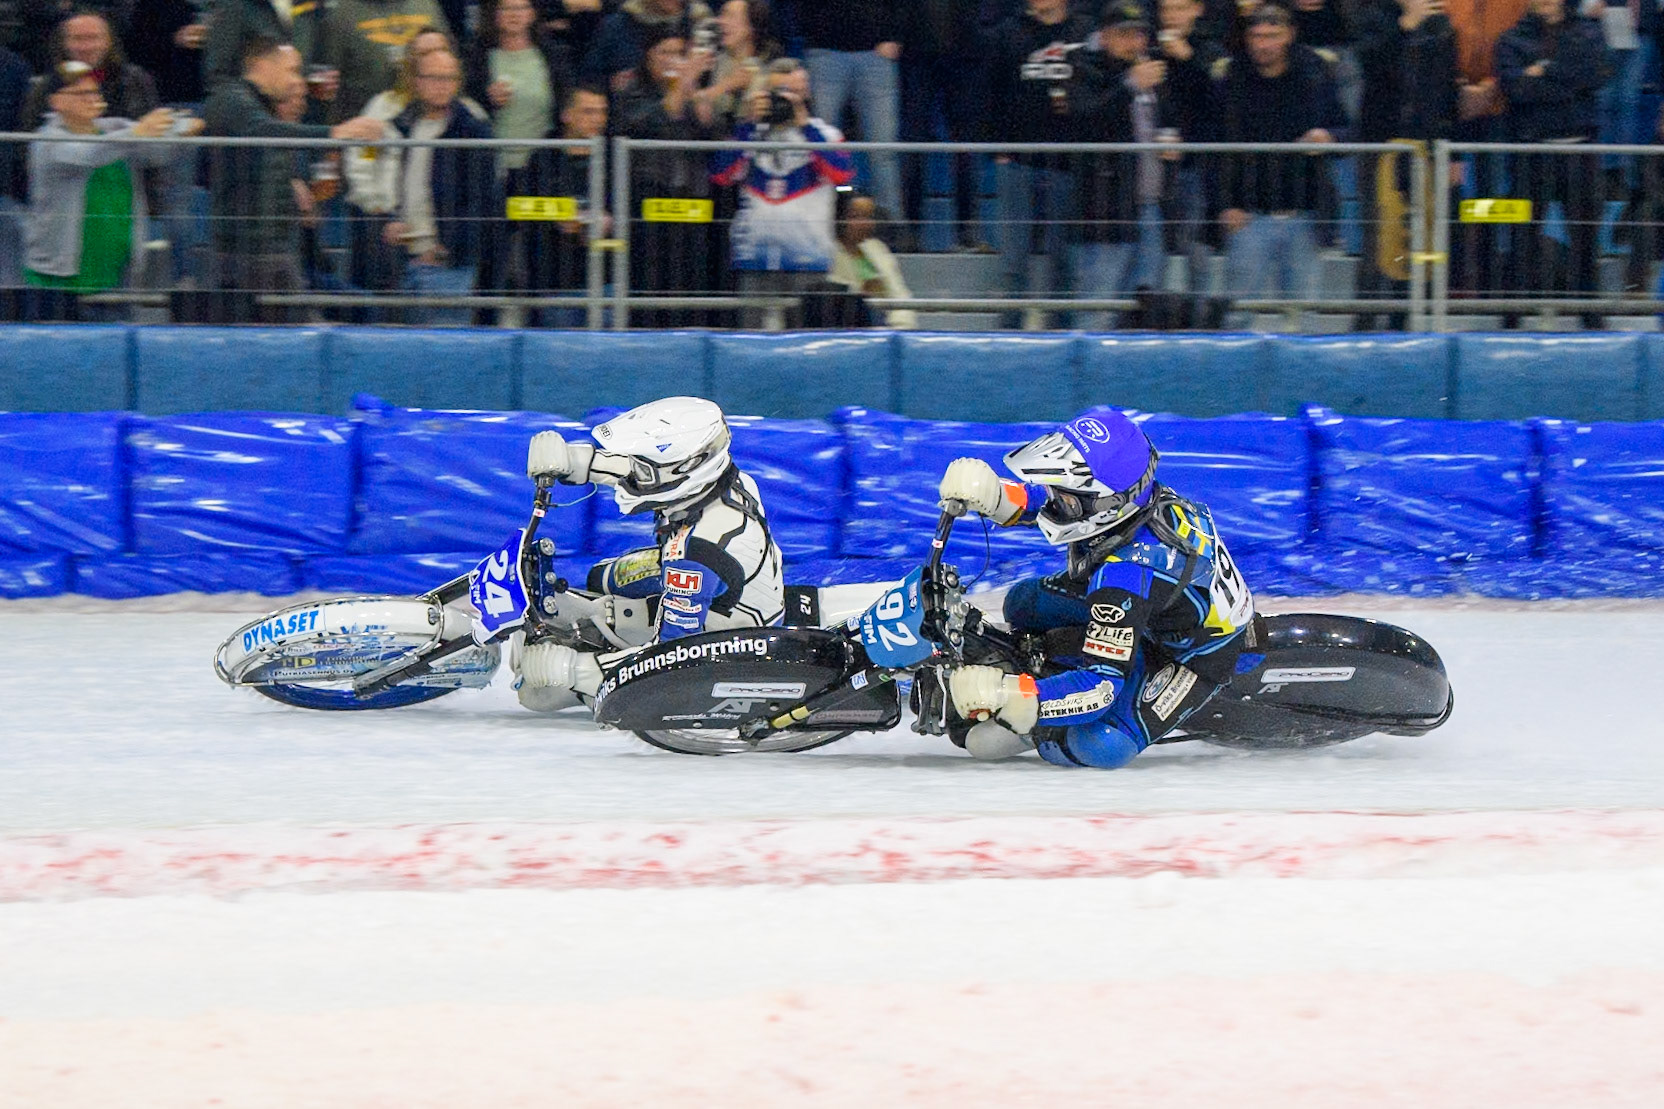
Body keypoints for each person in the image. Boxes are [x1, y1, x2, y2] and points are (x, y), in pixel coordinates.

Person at [934, 408, 1255, 768]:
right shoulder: (1135, 500)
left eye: (1066, 497)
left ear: (1105, 507)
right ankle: (1061, 667)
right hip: (1155, 606)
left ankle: (1044, 720)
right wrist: (994, 495)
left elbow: (1100, 689)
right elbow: (1064, 504)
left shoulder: (1123, 578)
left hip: (1193, 656)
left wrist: (1011, 696)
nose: (1054, 500)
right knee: (1021, 603)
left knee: (1100, 744)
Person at [513, 396, 786, 712]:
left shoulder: (697, 554)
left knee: (538, 695)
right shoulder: (719, 480)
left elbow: (670, 655)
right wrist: (571, 460)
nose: (632, 477)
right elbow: (643, 469)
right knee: (603, 577)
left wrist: (574, 670)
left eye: (642, 470)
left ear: (689, 468)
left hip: (729, 634)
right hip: (726, 591)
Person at [202, 37, 384, 322]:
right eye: (292, 70)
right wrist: (335, 133)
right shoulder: (232, 100)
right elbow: (261, 133)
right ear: (262, 65)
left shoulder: (258, 107)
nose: (296, 79)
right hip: (247, 253)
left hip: (274, 250)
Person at [22, 60, 197, 318]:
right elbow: (89, 154)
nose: (92, 98)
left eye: (94, 91)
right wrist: (139, 132)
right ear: (56, 102)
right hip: (60, 278)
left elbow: (156, 153)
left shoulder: (115, 128)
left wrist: (179, 130)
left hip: (117, 271)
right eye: (82, 93)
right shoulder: (46, 140)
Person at [1211, 3, 1346, 322]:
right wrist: (1224, 204)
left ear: (1289, 35)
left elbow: (1346, 127)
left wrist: (1328, 137)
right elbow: (1214, 148)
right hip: (1248, 214)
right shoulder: (1230, 77)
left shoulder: (1316, 71)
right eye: (1257, 36)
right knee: (1237, 318)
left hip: (1305, 212)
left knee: (1303, 320)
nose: (1264, 44)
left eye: (1272, 35)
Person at [710, 57, 854, 329]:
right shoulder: (750, 133)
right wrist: (747, 125)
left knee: (806, 347)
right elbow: (720, 175)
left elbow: (843, 177)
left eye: (794, 93)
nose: (786, 101)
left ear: (806, 94)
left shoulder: (826, 134)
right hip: (754, 257)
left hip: (808, 258)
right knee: (748, 346)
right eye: (779, 93)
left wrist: (806, 128)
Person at [982, 0, 1097, 326]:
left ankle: (1062, 340)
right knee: (1013, 264)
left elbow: (1097, 85)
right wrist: (998, 149)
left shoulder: (1084, 30)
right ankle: (1009, 340)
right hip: (1018, 162)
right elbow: (990, 91)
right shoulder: (1008, 32)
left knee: (1064, 262)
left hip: (1067, 164)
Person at [1495, 0, 1608, 325]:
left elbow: (1596, 74)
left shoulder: (1589, 32)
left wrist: (1543, 70)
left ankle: (1591, 316)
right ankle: (1511, 317)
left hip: (1580, 152)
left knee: (1586, 240)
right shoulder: (1511, 39)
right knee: (1522, 239)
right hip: (1531, 153)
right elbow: (1516, 89)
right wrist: (1566, 78)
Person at [1353, 0, 1457, 328]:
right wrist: (1405, 26)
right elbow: (1372, 65)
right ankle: (1366, 318)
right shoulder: (1374, 17)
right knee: (1377, 235)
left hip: (1426, 148)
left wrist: (1451, 150)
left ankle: (1408, 317)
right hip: (1380, 144)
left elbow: (1445, 93)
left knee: (1423, 234)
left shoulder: (1441, 25)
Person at [1069, 1, 1174, 325]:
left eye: (1139, 34)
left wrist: (1172, 139)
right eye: (1124, 34)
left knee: (1146, 308)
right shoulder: (1084, 67)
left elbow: (1166, 119)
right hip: (1107, 209)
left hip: (1151, 206)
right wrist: (1129, 85)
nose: (1134, 42)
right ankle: (1088, 375)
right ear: (1104, 36)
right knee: (1098, 308)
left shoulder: (1153, 71)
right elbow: (1086, 120)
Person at [381, 48, 499, 326]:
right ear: (417, 82)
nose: (442, 85)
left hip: (447, 265)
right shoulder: (402, 125)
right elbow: (390, 184)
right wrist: (390, 220)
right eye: (434, 77)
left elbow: (482, 200)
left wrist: (446, 249)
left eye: (448, 78)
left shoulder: (473, 131)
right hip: (404, 259)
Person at [796, 0, 904, 230]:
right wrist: (813, 33)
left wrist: (895, 35)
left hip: (876, 54)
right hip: (825, 51)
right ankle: (822, 220)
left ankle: (891, 225)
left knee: (883, 149)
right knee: (822, 145)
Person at [518, 83, 609, 326]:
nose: (597, 119)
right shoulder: (542, 158)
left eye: (601, 112)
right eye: (588, 112)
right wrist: (554, 219)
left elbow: (628, 212)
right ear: (567, 115)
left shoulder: (613, 157)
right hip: (555, 283)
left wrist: (608, 220)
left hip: (604, 283)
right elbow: (523, 209)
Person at [464, 0, 576, 181]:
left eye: (521, 7)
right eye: (506, 8)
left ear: (532, 13)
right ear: (495, 14)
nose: (514, 14)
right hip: (492, 166)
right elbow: (468, 106)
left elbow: (563, 102)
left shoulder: (553, 55)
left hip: (542, 167)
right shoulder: (479, 56)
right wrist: (487, 98)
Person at [20, 12, 159, 131]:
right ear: (64, 42)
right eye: (77, 38)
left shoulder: (134, 79)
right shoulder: (46, 86)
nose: (86, 47)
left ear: (108, 41)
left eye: (93, 38)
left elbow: (149, 132)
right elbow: (30, 136)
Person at [318, 0, 452, 118]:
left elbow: (450, 64)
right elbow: (328, 84)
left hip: (428, 120)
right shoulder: (342, 14)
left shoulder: (427, 6)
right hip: (364, 126)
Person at [829, 191, 917, 327]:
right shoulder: (828, 255)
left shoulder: (878, 249)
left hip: (888, 330)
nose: (866, 224)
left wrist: (899, 329)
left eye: (869, 216)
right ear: (839, 217)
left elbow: (901, 296)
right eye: (856, 217)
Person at [584, 0, 713, 91]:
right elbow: (589, 77)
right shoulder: (616, 26)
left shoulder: (700, 23)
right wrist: (611, 83)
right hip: (627, 115)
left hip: (684, 118)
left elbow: (708, 78)